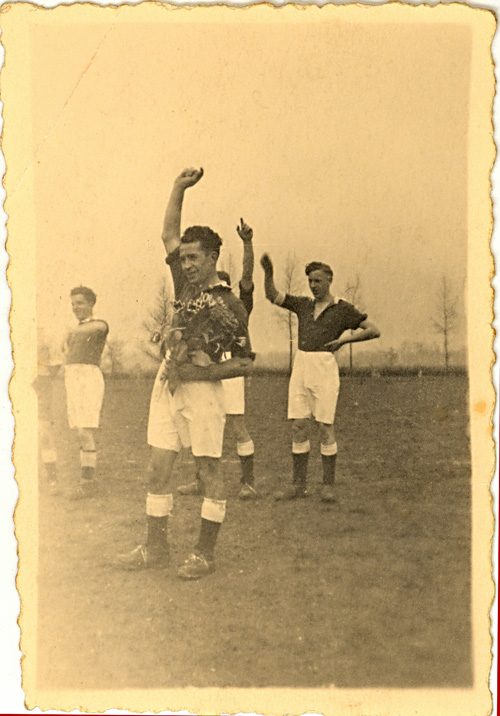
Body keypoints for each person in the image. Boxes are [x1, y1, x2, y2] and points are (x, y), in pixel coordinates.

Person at [116, 168, 254, 579]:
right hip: (167, 383)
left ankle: (203, 554)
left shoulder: (230, 304)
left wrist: (196, 375)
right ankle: (155, 547)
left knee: (209, 469)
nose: (187, 263)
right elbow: (168, 236)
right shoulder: (184, 287)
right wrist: (177, 188)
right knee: (158, 466)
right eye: (184, 258)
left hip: (202, 389)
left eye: (195, 258)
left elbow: (245, 361)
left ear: (213, 258)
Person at [260, 254, 380, 502]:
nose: (313, 286)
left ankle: (328, 486)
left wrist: (344, 339)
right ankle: (298, 485)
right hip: (301, 365)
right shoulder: (303, 304)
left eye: (317, 281)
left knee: (325, 427)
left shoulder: (343, 309)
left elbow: (373, 330)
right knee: (298, 425)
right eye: (310, 281)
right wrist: (268, 272)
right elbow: (272, 296)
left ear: (329, 280)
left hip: (324, 367)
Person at [177, 218, 257, 500]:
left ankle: (248, 482)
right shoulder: (197, 297)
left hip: (228, 366)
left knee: (236, 424)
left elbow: (247, 276)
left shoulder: (236, 301)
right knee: (200, 427)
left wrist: (247, 243)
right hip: (201, 369)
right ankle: (201, 481)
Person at [63, 287, 109, 497]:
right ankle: (87, 480)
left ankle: (88, 483)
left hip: (88, 377)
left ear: (91, 304)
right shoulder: (77, 328)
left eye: (80, 303)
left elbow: (90, 331)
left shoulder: (99, 325)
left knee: (85, 430)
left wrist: (69, 333)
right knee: (79, 431)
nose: (75, 308)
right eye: (73, 304)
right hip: (72, 377)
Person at [35, 325, 63, 494]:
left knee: (44, 432)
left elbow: (56, 362)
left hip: (41, 382)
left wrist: (42, 379)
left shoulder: (44, 331)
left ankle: (52, 478)